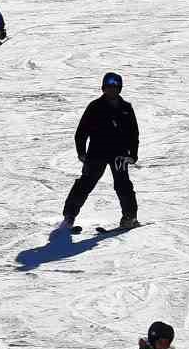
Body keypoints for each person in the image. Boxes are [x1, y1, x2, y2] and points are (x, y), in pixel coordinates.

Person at [59, 72, 139, 232]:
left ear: (120, 89)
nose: (112, 90)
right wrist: (81, 152)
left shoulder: (126, 108)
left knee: (123, 185)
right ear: (103, 88)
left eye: (115, 87)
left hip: (119, 154)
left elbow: (133, 133)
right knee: (85, 183)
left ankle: (129, 217)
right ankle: (69, 217)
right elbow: (81, 132)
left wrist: (133, 155)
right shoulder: (95, 107)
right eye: (108, 87)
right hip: (97, 152)